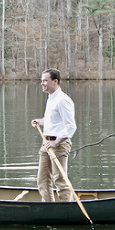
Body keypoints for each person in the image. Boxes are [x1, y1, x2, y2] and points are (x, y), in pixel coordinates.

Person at [31, 68, 76, 202]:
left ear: (55, 81)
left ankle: (66, 209)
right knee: (42, 179)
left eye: (45, 81)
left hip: (59, 145)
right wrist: (40, 121)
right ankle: (49, 207)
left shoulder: (62, 100)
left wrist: (56, 142)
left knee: (60, 180)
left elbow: (70, 126)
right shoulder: (51, 98)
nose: (42, 83)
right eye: (42, 81)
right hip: (46, 143)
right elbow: (54, 121)